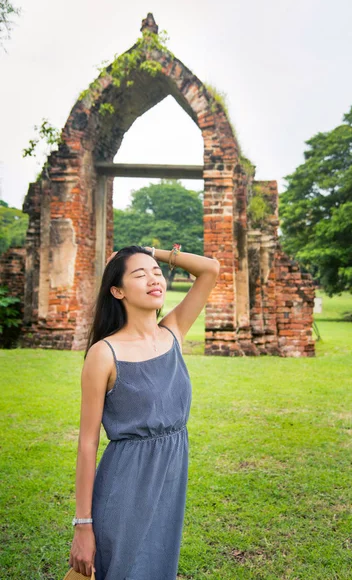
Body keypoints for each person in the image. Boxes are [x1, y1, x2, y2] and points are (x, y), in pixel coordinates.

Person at [68, 244, 220, 579]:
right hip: (125, 485)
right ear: (117, 290)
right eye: (140, 274)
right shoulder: (104, 353)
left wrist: (149, 251)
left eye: (156, 272)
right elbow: (87, 444)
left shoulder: (173, 332)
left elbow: (210, 269)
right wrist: (82, 525)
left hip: (169, 481)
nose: (154, 279)